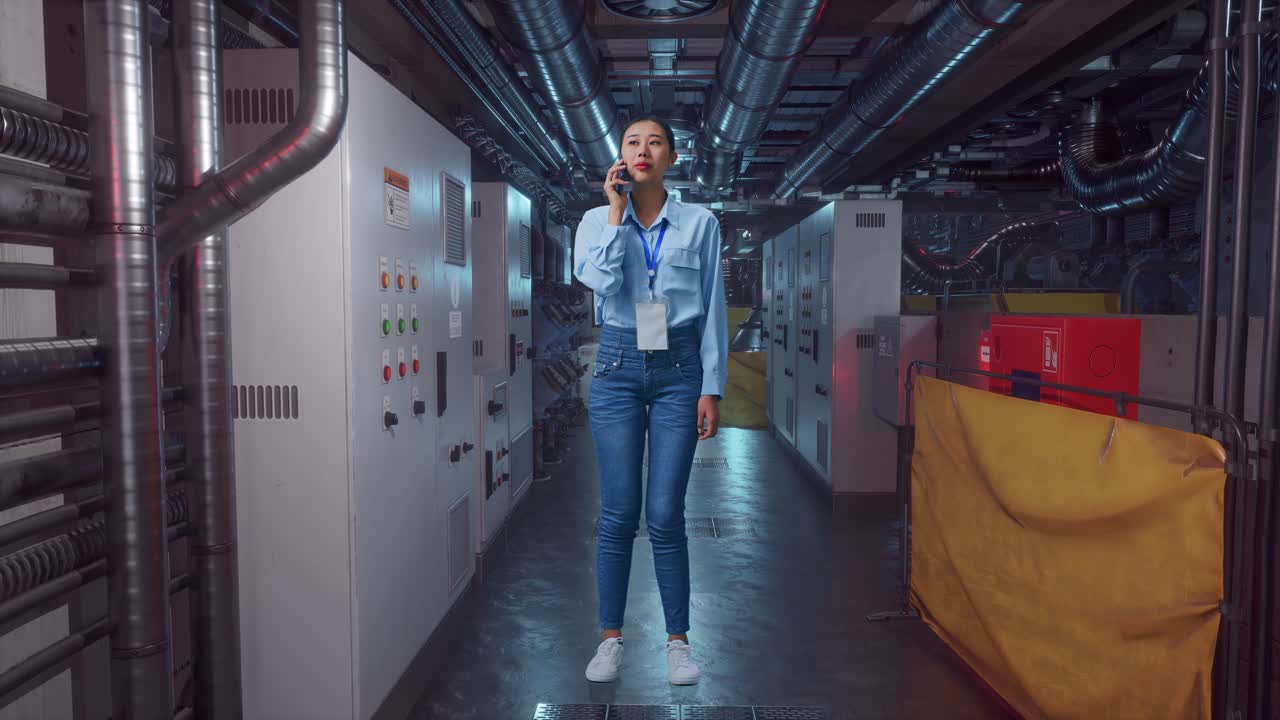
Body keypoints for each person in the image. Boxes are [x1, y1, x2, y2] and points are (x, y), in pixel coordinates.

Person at [572, 115, 728, 686]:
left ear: (671, 158)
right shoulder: (593, 222)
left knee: (664, 514)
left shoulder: (700, 223)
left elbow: (713, 304)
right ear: (620, 157)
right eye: (632, 143)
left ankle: (678, 643)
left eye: (654, 142)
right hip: (616, 366)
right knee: (617, 513)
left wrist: (712, 385)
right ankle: (610, 639)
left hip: (679, 369)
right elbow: (605, 286)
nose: (643, 150)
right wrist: (615, 213)